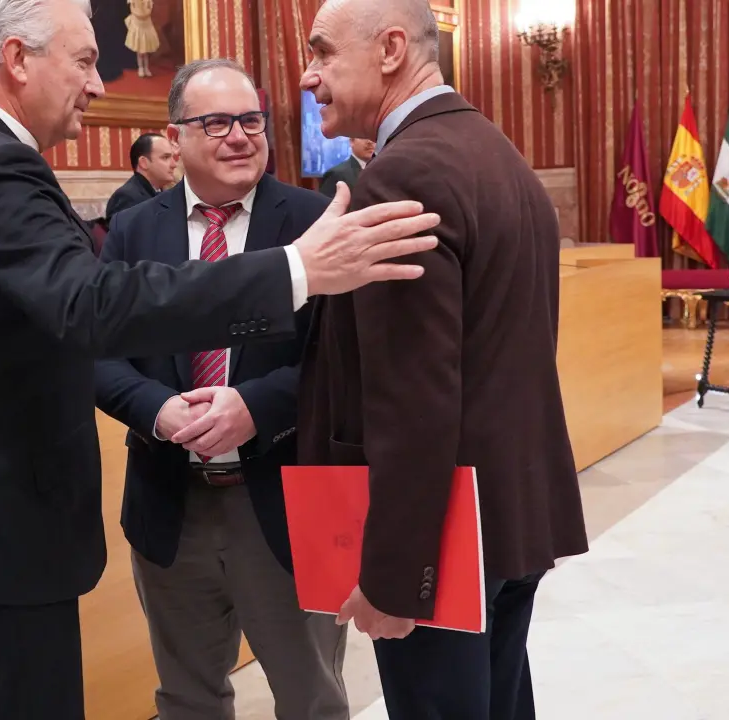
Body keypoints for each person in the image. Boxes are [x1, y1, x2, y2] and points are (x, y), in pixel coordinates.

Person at [0, 0, 439, 717]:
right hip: (0, 515)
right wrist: (294, 271)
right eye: (84, 60)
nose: (97, 84)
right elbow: (91, 308)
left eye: (250, 120)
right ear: (17, 60)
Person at [296, 0, 590, 718]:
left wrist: (398, 577)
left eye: (323, 52)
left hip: (442, 536)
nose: (308, 76)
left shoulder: (404, 177)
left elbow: (413, 400)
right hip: (508, 510)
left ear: (391, 48)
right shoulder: (494, 150)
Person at [94, 59, 348, 720]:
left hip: (286, 501)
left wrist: (257, 407)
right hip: (170, 503)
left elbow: (347, 361)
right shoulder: (134, 229)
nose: (239, 136)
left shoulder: (315, 221)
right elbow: (94, 349)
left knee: (312, 699)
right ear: (175, 137)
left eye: (251, 120)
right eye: (216, 123)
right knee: (187, 700)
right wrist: (154, 409)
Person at [104, 132, 177, 222]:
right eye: (165, 157)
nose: (174, 164)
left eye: (172, 158)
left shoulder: (163, 193)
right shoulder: (127, 197)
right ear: (144, 163)